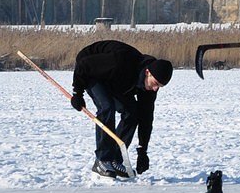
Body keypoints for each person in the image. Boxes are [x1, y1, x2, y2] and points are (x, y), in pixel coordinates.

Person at [70, 40, 173, 178]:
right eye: (155, 83)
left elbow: (146, 117)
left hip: (115, 81)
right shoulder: (121, 62)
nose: (155, 88)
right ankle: (102, 160)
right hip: (91, 70)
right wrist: (77, 93)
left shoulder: (149, 88)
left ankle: (115, 159)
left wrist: (143, 151)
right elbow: (84, 65)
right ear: (147, 72)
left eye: (159, 86)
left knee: (132, 113)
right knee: (107, 107)